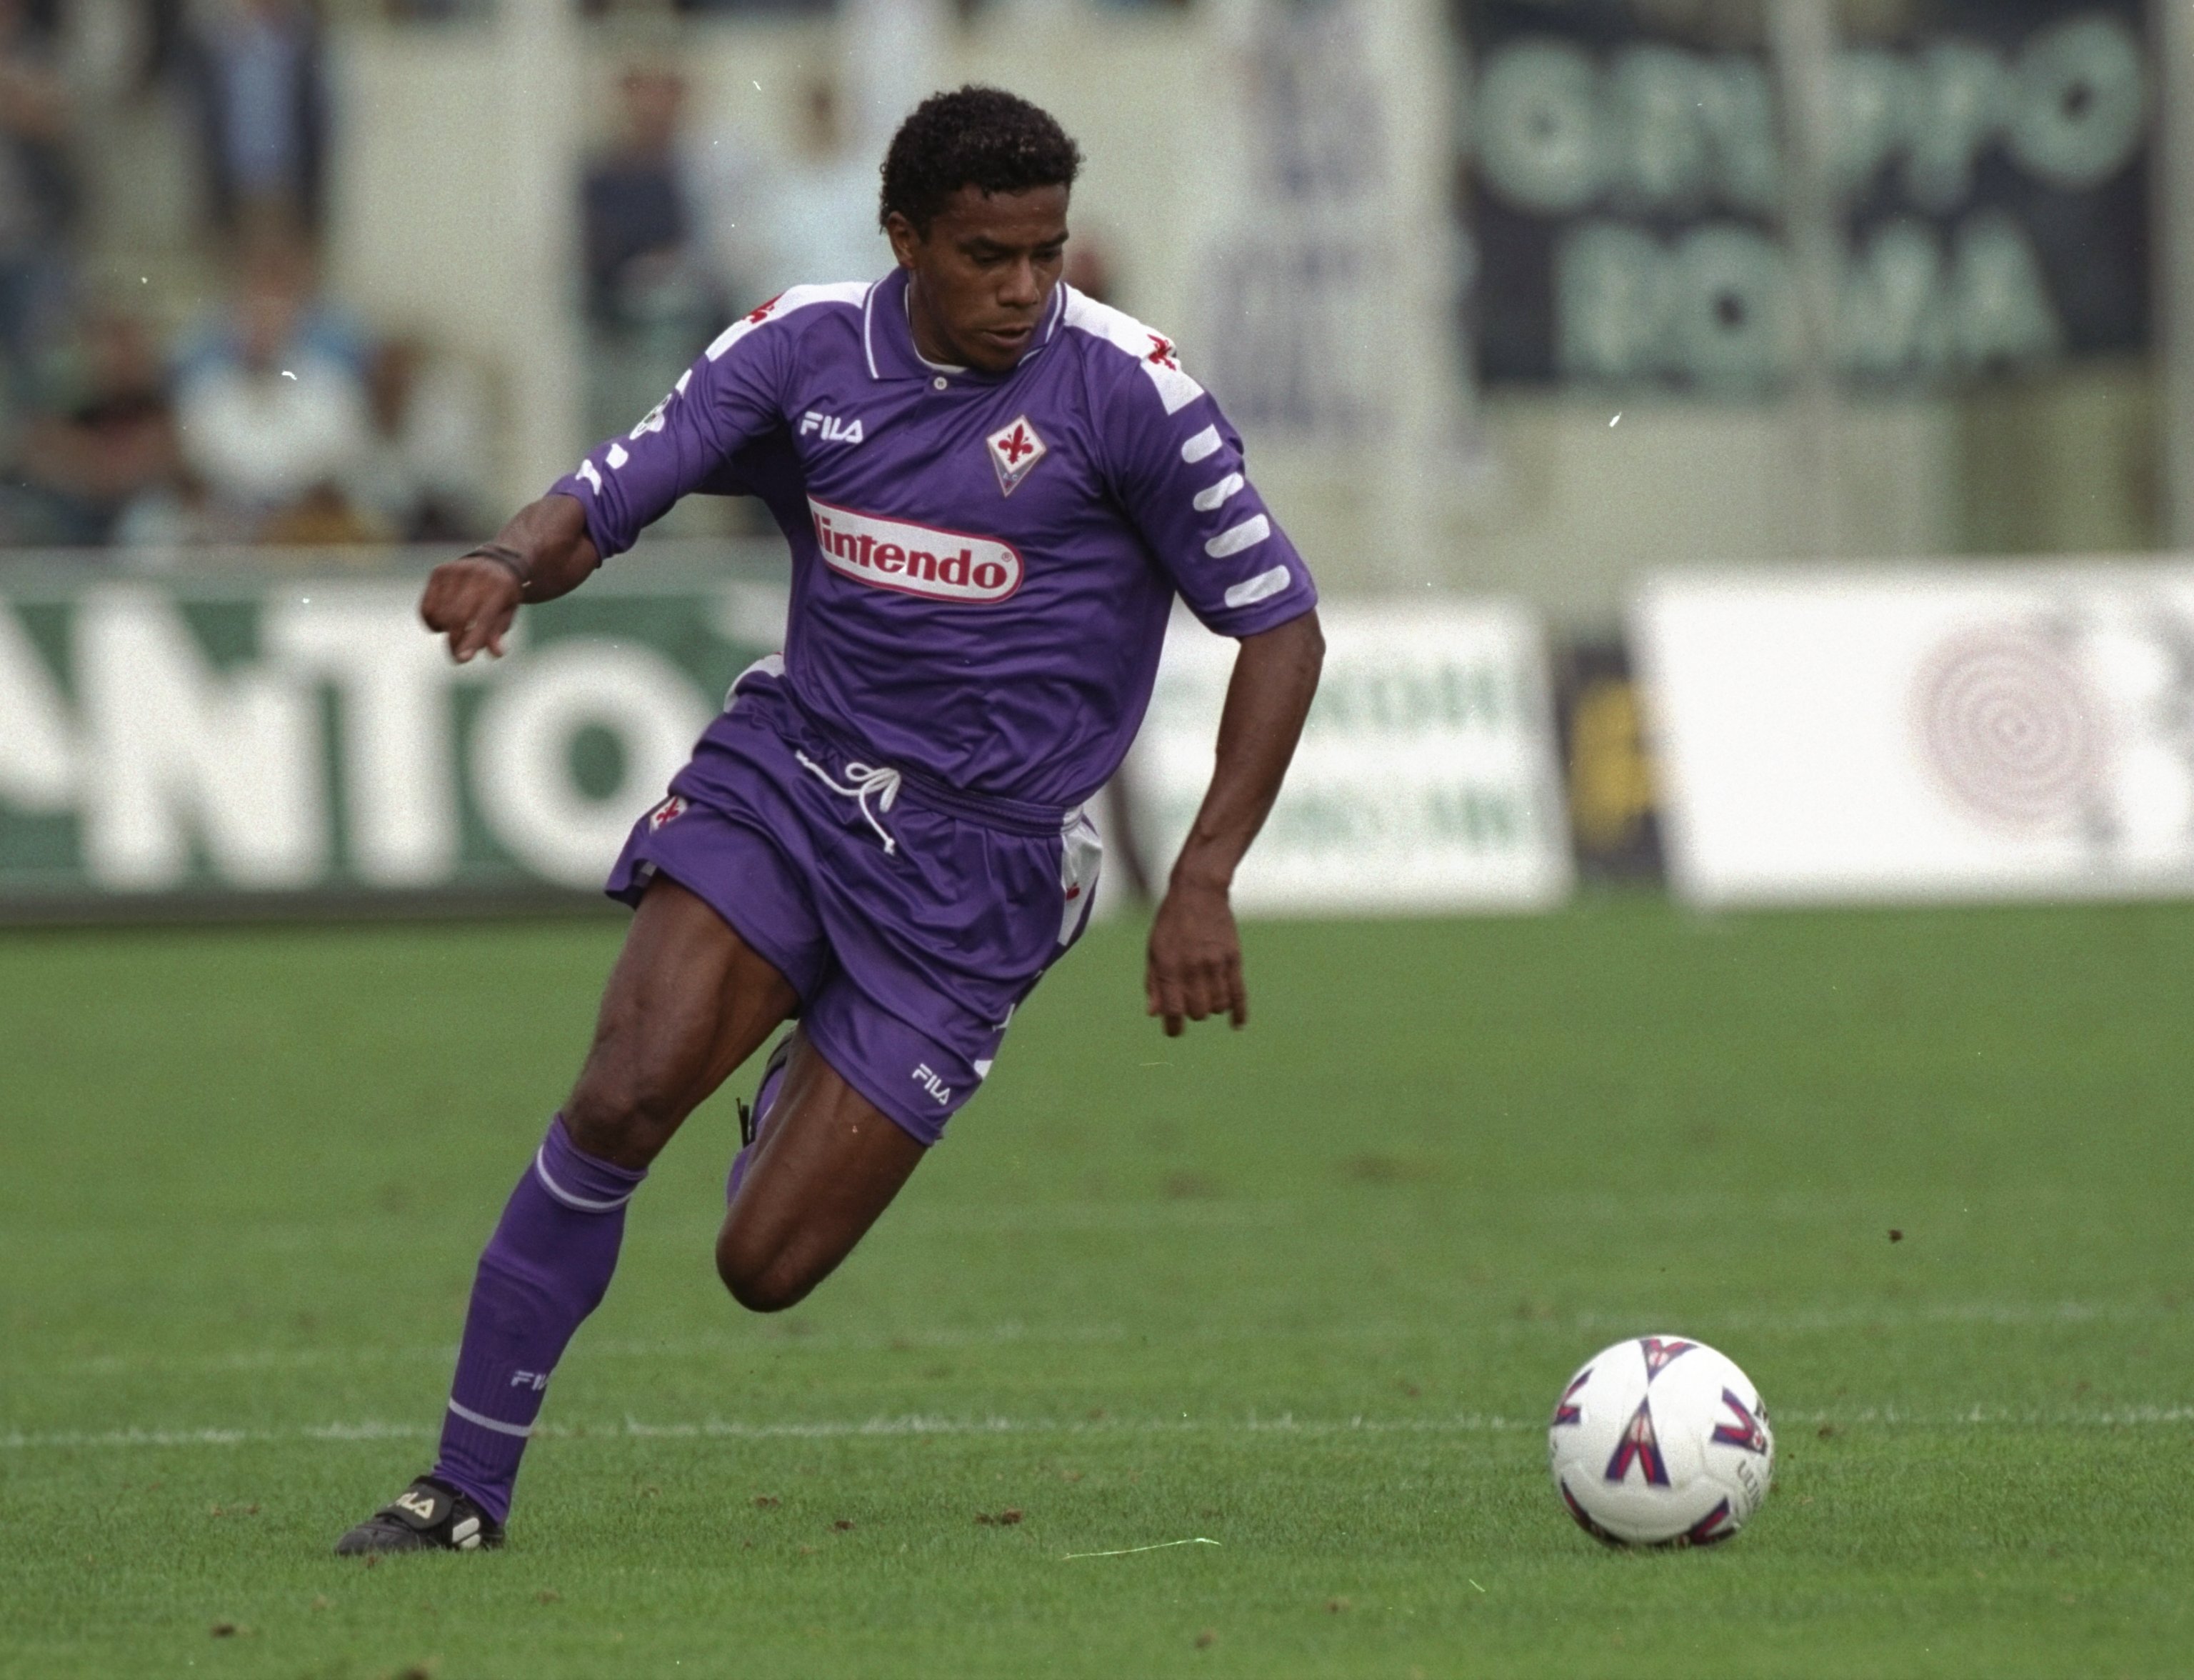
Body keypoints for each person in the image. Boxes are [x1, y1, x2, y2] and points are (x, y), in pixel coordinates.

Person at [334, 85, 1324, 1555]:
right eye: (988, 256)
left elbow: (1282, 627)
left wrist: (1204, 879)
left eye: (1047, 253)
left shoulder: (1132, 395)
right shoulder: (801, 349)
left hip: (988, 870)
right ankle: (460, 1492)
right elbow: (610, 493)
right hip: (796, 782)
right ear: (904, 239)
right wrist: (505, 561)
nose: (1025, 288)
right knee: (621, 1097)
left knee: (766, 1265)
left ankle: (811, 1057)